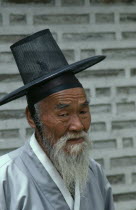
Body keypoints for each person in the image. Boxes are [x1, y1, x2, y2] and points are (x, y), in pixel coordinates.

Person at [0, 29, 115, 210]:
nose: (78, 125)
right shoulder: (5, 177)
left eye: (83, 112)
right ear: (32, 117)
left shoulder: (94, 173)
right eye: (63, 114)